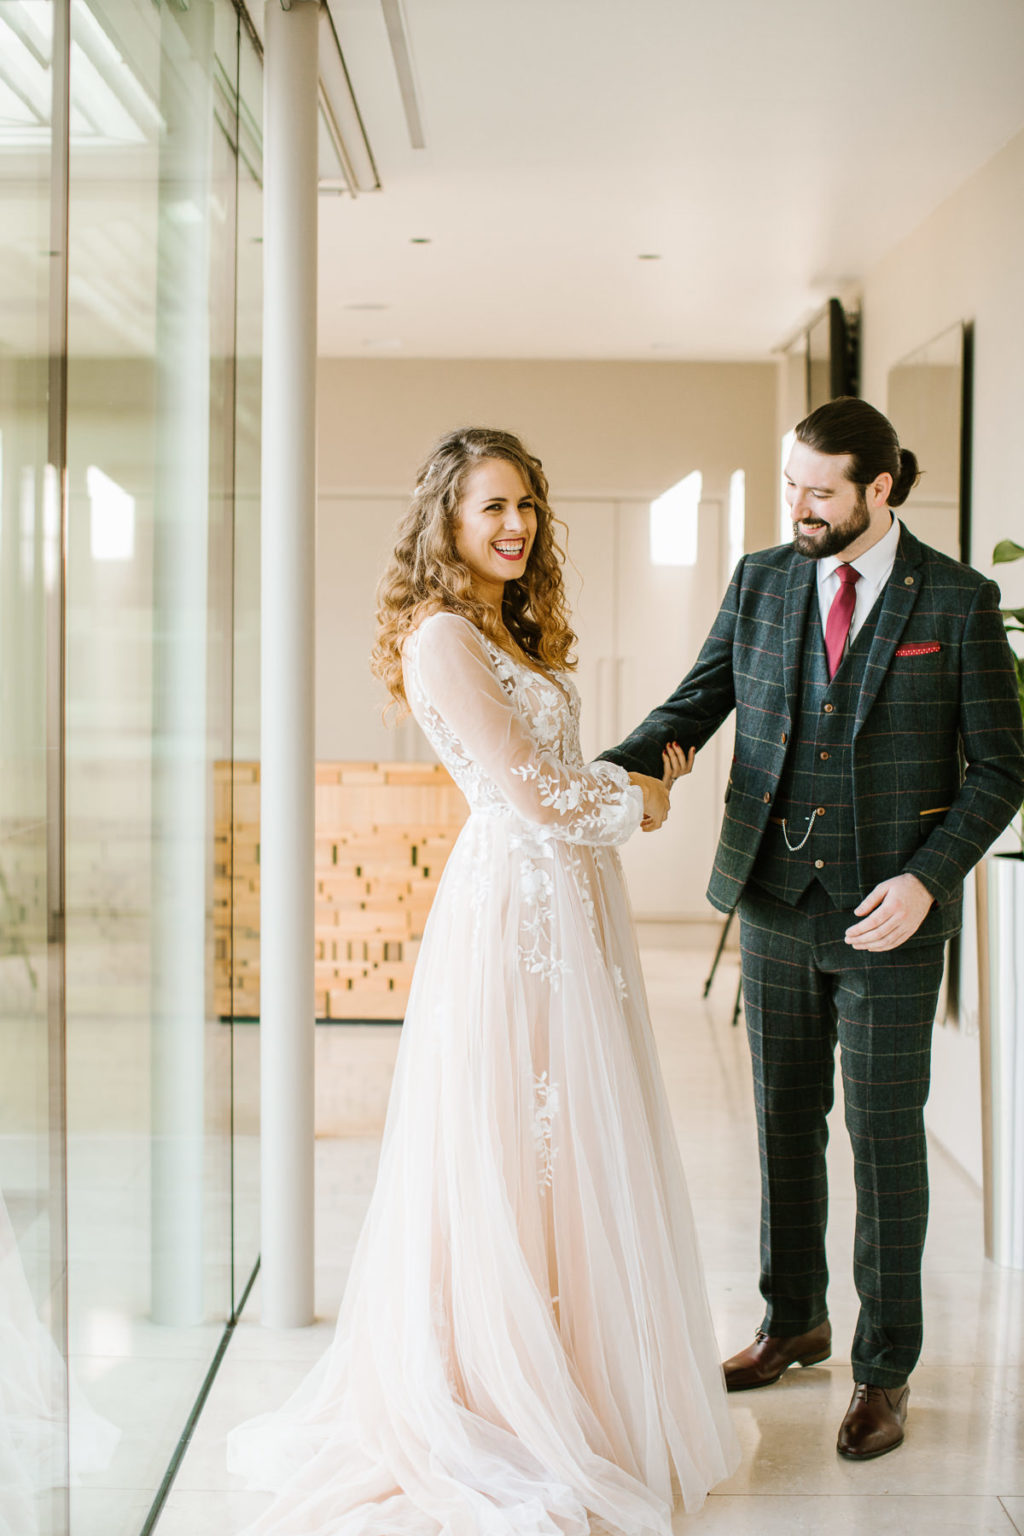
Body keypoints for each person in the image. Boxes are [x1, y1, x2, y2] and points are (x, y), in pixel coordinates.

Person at [226, 427, 739, 1534]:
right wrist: (642, 802)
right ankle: (499, 1392)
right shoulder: (442, 637)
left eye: (524, 507)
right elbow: (534, 797)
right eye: (490, 508)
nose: (515, 526)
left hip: (569, 902)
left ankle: (579, 1376)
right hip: (516, 909)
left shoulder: (507, 626)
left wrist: (612, 791)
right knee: (517, 1136)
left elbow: (554, 778)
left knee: (574, 1147)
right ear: (446, 523)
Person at [599, 396, 1024, 1462]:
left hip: (892, 915)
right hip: (775, 900)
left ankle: (884, 1369)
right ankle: (792, 1321)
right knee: (782, 1124)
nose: (799, 506)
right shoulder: (760, 582)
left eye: (819, 490)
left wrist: (929, 881)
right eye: (790, 484)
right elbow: (691, 708)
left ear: (880, 489)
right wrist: (593, 777)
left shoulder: (959, 602)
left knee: (882, 1145)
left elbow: (1004, 769)